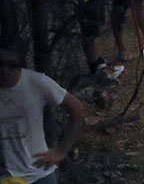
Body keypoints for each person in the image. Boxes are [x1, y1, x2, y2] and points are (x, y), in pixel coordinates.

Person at [0, 45, 90, 184]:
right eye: (0, 64)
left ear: (21, 65)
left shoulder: (36, 82)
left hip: (39, 170)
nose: (4, 71)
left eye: (11, 65)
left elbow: (77, 109)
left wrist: (61, 151)